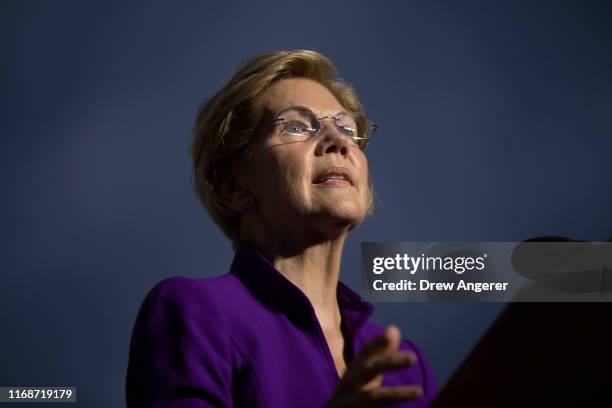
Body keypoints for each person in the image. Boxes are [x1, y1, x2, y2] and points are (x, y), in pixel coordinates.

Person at [126, 49, 437, 407]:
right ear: (235, 185)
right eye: (296, 126)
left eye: (347, 128)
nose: (337, 141)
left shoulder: (407, 365)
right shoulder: (194, 313)